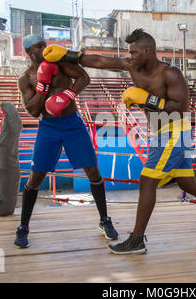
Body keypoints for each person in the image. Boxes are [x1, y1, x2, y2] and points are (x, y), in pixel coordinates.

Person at [42, 29, 196, 255]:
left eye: (134, 52)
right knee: (187, 183)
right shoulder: (132, 66)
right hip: (161, 133)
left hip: (175, 130)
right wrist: (67, 54)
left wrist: (147, 99)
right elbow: (100, 60)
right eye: (130, 52)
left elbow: (180, 107)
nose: (131, 56)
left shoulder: (171, 74)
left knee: (147, 180)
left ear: (148, 50)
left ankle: (137, 239)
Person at [14, 34, 118, 249]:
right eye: (38, 46)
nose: (43, 48)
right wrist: (43, 86)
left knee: (92, 171)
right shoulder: (25, 79)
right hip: (49, 126)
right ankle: (23, 227)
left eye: (44, 44)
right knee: (36, 177)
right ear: (28, 52)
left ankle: (104, 220)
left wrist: (69, 94)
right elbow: (33, 110)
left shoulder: (60, 63)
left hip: (72, 122)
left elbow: (84, 78)